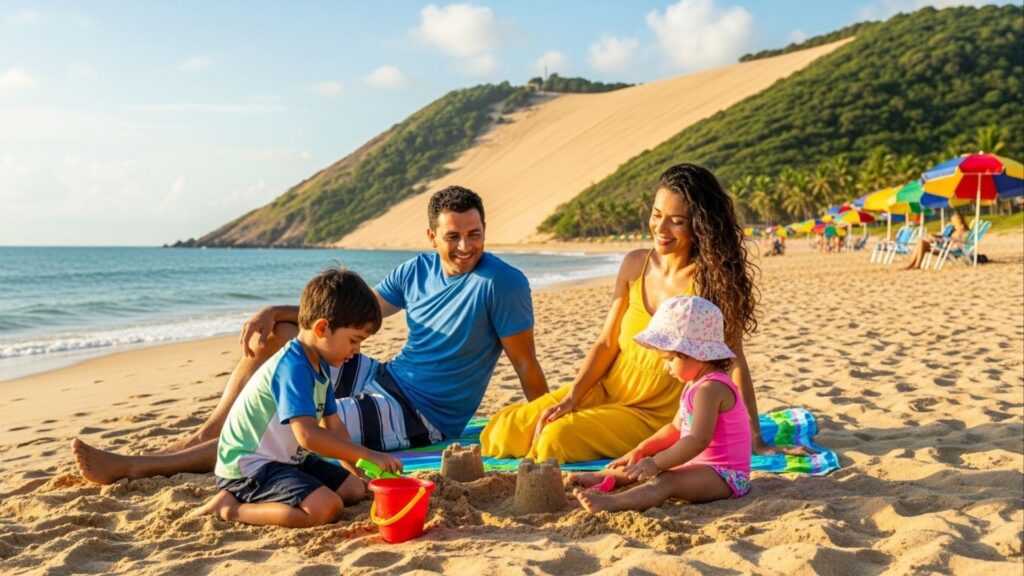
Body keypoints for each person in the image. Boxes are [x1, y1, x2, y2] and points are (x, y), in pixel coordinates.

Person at [72, 185, 549, 484]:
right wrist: (279, 312)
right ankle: (207, 432)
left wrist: (544, 426)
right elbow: (347, 316)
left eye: (475, 234)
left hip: (422, 413)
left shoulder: (502, 284)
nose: (466, 246)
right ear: (431, 237)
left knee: (289, 423)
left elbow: (525, 364)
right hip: (383, 376)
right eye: (453, 236)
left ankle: (140, 465)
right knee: (283, 337)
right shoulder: (416, 270)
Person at [480, 163, 797, 462]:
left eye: (677, 220)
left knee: (554, 439)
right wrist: (573, 397)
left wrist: (755, 438)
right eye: (657, 214)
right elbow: (606, 343)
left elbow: (733, 359)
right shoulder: (635, 264)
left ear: (700, 225)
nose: (661, 227)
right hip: (604, 387)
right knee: (504, 430)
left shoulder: (711, 282)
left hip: (653, 412)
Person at [192, 268, 402, 527]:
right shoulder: (293, 368)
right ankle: (229, 508)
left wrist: (359, 472)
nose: (357, 351)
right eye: (354, 340)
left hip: (288, 459)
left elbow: (334, 427)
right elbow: (309, 436)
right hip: (250, 467)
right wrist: (370, 454)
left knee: (354, 490)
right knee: (326, 508)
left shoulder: (320, 364)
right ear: (323, 328)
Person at [569, 296, 751, 513]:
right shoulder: (694, 384)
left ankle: (611, 503)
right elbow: (675, 428)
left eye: (669, 359)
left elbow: (697, 440)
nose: (666, 367)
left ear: (695, 354)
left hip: (726, 476)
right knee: (644, 466)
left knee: (666, 480)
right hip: (699, 467)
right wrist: (641, 450)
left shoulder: (710, 390)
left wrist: (655, 463)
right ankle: (602, 477)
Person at [903, 212, 969, 270]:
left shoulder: (961, 228)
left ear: (957, 220)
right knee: (920, 241)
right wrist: (936, 236)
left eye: (953, 220)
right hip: (946, 248)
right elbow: (948, 238)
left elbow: (954, 240)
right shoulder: (955, 228)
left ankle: (916, 265)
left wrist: (939, 239)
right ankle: (913, 263)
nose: (951, 222)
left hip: (952, 251)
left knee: (922, 242)